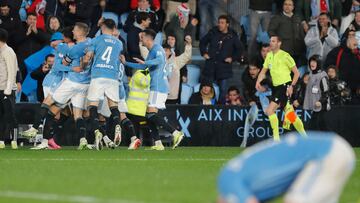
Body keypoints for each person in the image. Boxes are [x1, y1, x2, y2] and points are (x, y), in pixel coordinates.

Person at [218, 132, 356, 203]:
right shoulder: (238, 177)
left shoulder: (228, 180)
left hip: (325, 153)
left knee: (295, 201)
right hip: (332, 150)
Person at [22, 23, 91, 150]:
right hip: (73, 83)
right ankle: (81, 139)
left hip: (68, 82)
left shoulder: (68, 48)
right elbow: (61, 64)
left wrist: (73, 66)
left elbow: (61, 63)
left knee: (51, 107)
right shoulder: (90, 43)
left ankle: (36, 131)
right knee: (72, 114)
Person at [121, 29, 185, 150]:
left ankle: (176, 133)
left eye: (142, 37)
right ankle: (158, 143)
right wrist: (126, 63)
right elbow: (143, 66)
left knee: (150, 115)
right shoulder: (152, 51)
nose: (140, 39)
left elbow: (160, 60)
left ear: (147, 38)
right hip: (156, 86)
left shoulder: (157, 49)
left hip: (158, 86)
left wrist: (146, 61)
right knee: (149, 115)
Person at [84, 19, 141, 150]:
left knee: (92, 106)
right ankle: (117, 127)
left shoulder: (96, 40)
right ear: (114, 28)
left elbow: (88, 56)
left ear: (102, 27)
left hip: (98, 74)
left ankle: (98, 132)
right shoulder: (119, 43)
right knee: (114, 106)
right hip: (113, 78)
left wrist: (85, 62)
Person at [256, 35, 307, 141]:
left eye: (273, 41)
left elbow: (297, 74)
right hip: (276, 88)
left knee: (270, 110)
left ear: (279, 43)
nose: (271, 43)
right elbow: (263, 71)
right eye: (270, 41)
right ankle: (305, 137)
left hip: (284, 86)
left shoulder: (285, 56)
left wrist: (291, 86)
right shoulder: (269, 56)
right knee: (291, 115)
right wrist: (258, 81)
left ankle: (276, 139)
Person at [200, 15, 243, 104]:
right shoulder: (213, 32)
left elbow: (240, 49)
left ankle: (220, 108)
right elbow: (202, 42)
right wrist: (204, 53)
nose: (220, 24)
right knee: (208, 89)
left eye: (222, 23)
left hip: (224, 67)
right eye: (219, 22)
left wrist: (232, 58)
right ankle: (209, 107)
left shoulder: (232, 36)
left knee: (223, 90)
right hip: (211, 66)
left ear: (227, 24)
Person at [140, 35, 192, 104]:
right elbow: (145, 53)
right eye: (163, 50)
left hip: (171, 97)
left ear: (170, 52)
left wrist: (188, 45)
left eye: (167, 50)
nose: (164, 52)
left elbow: (186, 56)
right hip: (157, 94)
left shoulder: (176, 62)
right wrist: (141, 42)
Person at [268, 0, 306, 64]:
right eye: (285, 4)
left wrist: (303, 46)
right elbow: (271, 31)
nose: (287, 6)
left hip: (297, 51)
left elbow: (301, 33)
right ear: (283, 6)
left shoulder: (297, 18)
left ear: (293, 7)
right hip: (283, 51)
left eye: (289, 5)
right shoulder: (277, 18)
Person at [0, 28, 19, 149]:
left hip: (6, 89)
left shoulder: (8, 51)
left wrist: (8, 89)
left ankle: (14, 140)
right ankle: (1, 140)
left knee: (9, 115)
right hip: (0, 88)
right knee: (1, 115)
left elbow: (12, 72)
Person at [303, 55, 331, 131]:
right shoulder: (310, 74)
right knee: (321, 126)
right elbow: (308, 91)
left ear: (319, 63)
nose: (312, 63)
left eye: (315, 62)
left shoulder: (323, 76)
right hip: (315, 106)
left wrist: (320, 101)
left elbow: (326, 92)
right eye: (311, 61)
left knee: (314, 126)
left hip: (322, 106)